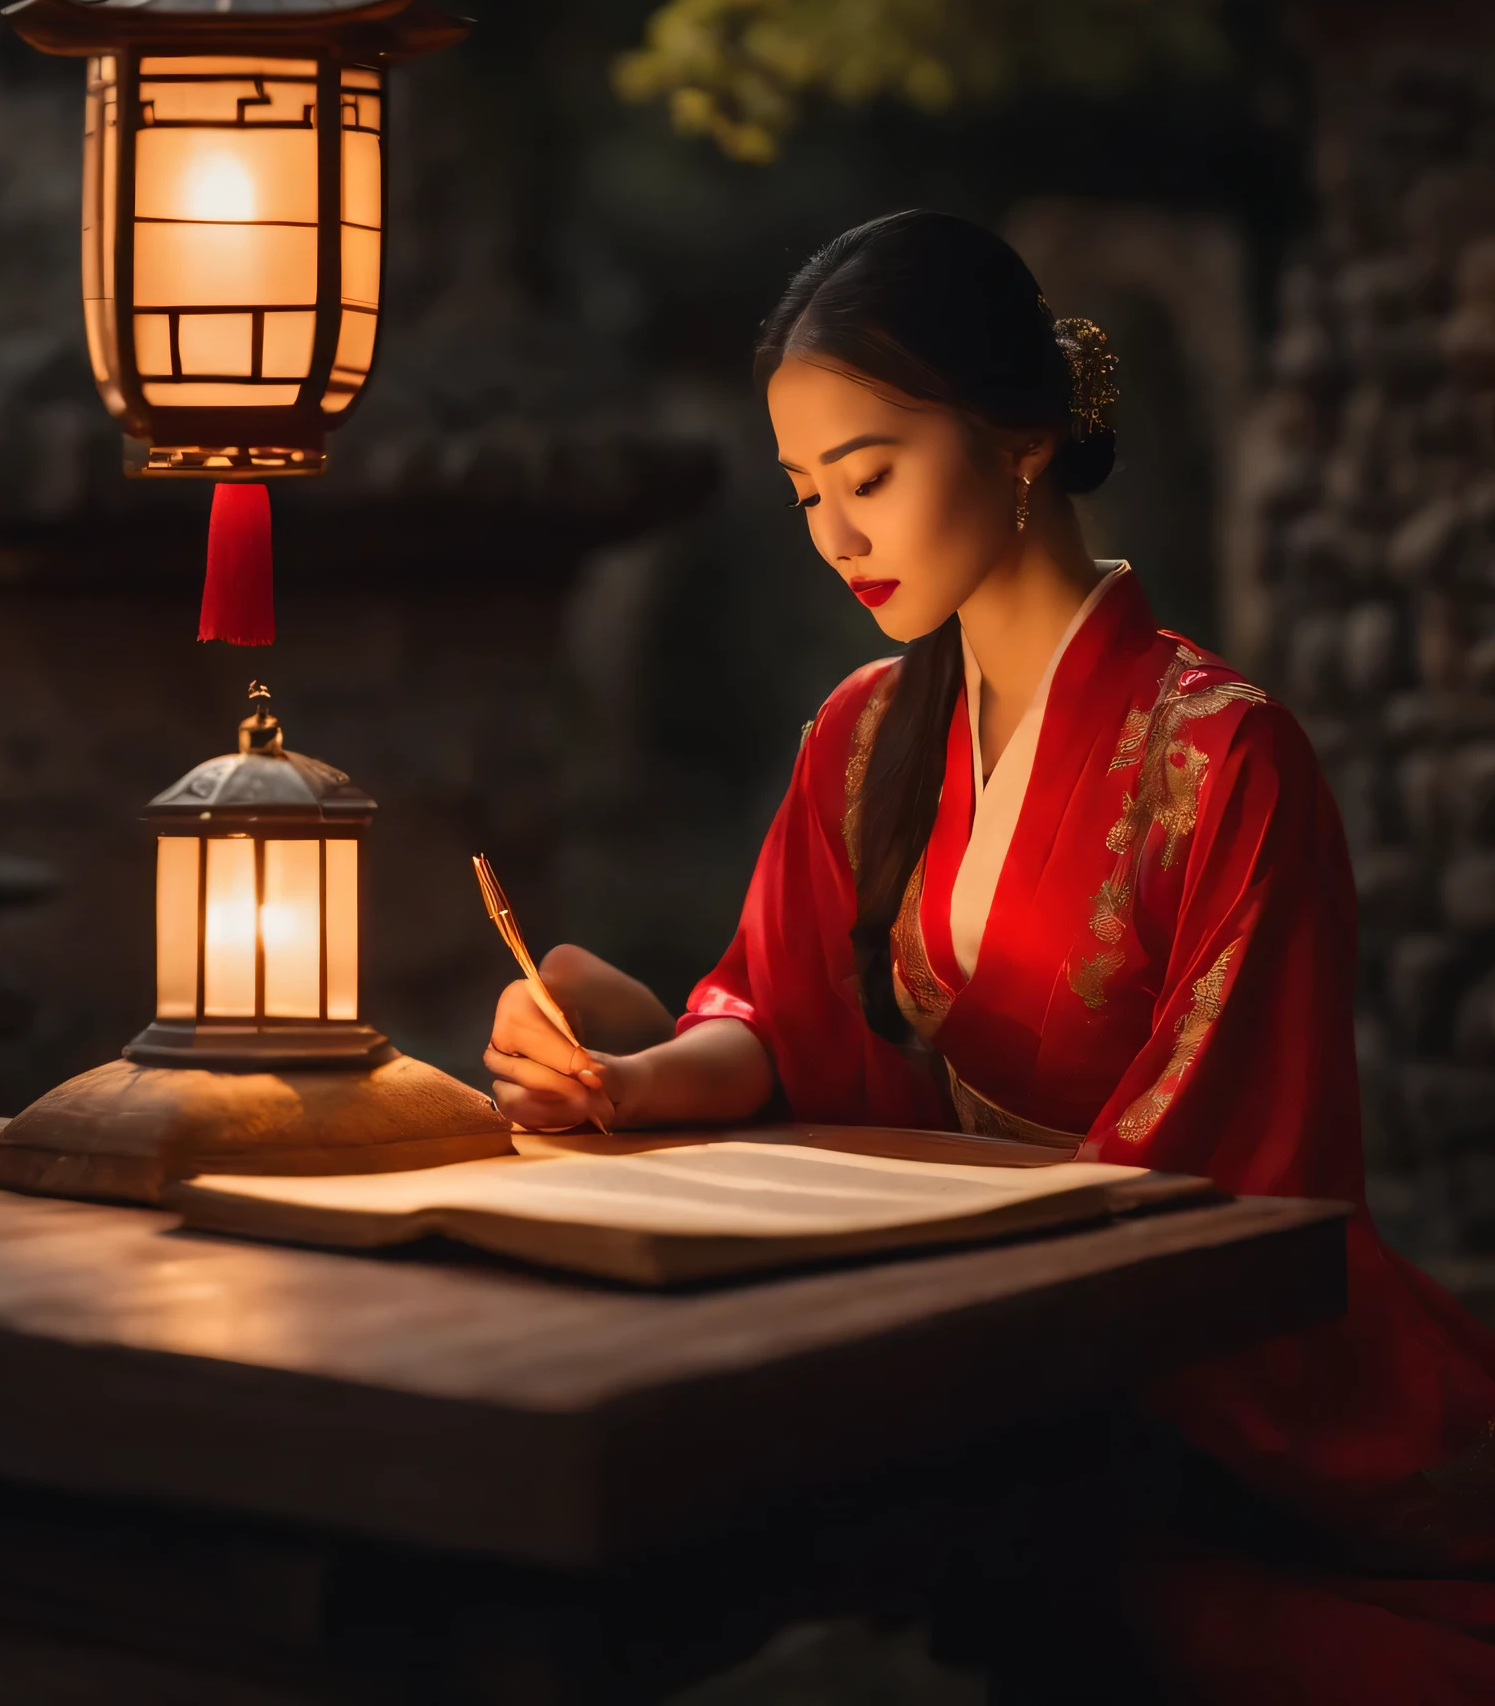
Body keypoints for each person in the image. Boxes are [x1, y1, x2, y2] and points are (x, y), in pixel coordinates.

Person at [485, 211, 1495, 1701]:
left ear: (1021, 440)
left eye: (871, 477)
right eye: (804, 492)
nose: (836, 535)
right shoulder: (863, 735)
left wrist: (953, 1304)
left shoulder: (1222, 759)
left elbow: (1234, 1171)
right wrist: (630, 1080)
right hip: (994, 1337)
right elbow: (776, 1009)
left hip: (1219, 1389)